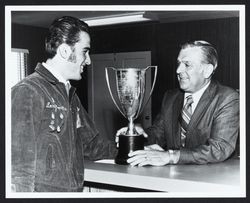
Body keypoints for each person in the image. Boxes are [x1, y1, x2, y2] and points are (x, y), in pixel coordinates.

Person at [11, 16, 117, 192]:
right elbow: (19, 169)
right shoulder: (27, 91)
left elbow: (92, 146)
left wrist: (130, 146)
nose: (88, 60)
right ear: (65, 51)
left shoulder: (71, 96)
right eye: (85, 51)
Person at [117, 40, 239, 166]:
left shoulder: (227, 98)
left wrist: (171, 156)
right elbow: (158, 134)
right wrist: (136, 135)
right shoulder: (171, 97)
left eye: (187, 65)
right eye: (178, 63)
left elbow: (220, 148)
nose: (178, 70)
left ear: (207, 70)